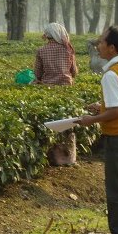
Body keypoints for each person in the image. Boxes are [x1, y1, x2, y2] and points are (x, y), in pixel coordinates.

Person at [78, 26, 118, 234]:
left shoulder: (111, 74)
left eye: (101, 42)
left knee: (117, 188)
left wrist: (92, 119)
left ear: (111, 48)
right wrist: (103, 107)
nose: (97, 45)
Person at [34, 23, 78, 166]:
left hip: (47, 91)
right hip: (66, 90)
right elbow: (74, 72)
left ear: (47, 35)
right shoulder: (68, 49)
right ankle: (68, 158)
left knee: (51, 124)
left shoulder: (41, 50)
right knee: (67, 124)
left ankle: (53, 158)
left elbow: (38, 74)